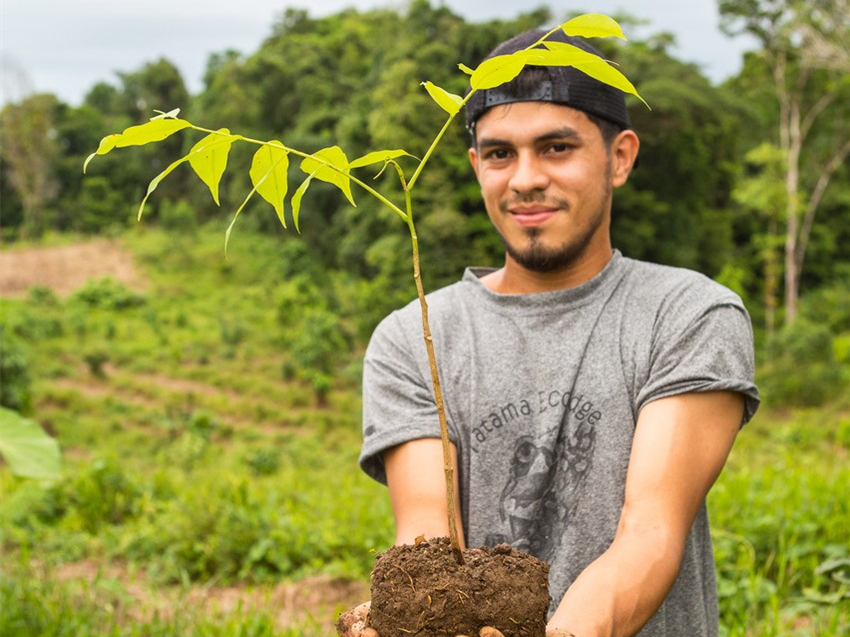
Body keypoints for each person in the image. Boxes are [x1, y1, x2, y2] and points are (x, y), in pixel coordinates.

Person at [338, 28, 760, 637]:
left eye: (556, 148)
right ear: (476, 165)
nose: (525, 179)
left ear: (620, 158)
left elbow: (651, 532)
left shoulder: (689, 314)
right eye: (500, 153)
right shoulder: (413, 337)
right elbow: (426, 540)